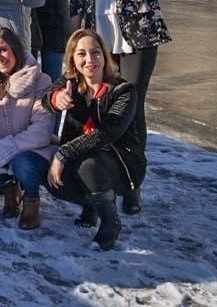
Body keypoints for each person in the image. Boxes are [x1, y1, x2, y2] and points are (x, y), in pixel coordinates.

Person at [68, 0, 173, 215]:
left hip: (137, 33)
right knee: (102, 107)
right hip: (100, 35)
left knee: (132, 107)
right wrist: (75, 35)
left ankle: (132, 184)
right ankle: (105, 177)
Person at [45, 29, 145, 250]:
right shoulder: (71, 83)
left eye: (96, 52)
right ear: (72, 59)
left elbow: (105, 133)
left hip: (121, 164)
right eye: (81, 54)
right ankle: (91, 205)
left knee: (87, 164)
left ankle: (110, 221)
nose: (89, 59)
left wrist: (62, 154)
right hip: (82, 159)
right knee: (45, 172)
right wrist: (56, 98)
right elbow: (46, 96)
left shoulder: (124, 91)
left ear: (104, 56)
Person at [0, 28, 55, 229]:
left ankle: (31, 199)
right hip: (2, 155)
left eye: (3, 49)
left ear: (15, 48)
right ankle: (10, 189)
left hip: (32, 151)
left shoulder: (41, 80)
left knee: (24, 165)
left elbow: (42, 131)